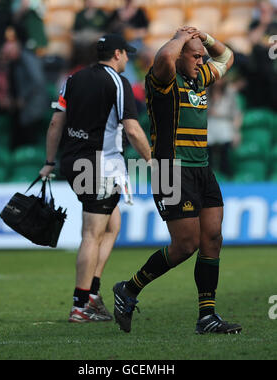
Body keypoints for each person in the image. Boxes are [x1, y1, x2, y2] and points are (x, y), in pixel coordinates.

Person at [113, 26, 242, 334]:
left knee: (212, 239)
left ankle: (207, 316)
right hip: (172, 171)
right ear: (180, 55)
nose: (201, 61)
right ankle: (129, 289)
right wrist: (180, 37)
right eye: (195, 56)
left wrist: (204, 36)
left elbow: (227, 56)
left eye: (202, 57)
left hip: (202, 169)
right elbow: (163, 57)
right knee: (185, 245)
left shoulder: (200, 79)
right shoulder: (163, 81)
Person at [39, 34, 151, 323]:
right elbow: (133, 129)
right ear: (116, 53)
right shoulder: (117, 82)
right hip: (99, 166)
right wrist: (152, 160)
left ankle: (91, 292)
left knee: (112, 224)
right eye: (127, 53)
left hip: (72, 162)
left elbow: (55, 123)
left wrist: (49, 162)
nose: (129, 58)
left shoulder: (73, 79)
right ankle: (80, 305)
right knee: (92, 233)